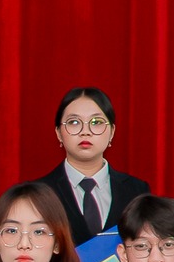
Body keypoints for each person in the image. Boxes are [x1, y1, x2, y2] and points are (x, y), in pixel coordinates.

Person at [33, 87, 151, 248]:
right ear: (59, 133)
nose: (85, 132)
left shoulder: (136, 190)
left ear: (112, 132)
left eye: (96, 122)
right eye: (74, 122)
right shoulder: (37, 194)